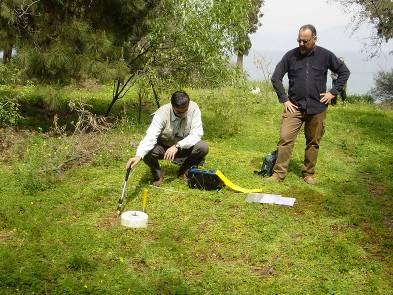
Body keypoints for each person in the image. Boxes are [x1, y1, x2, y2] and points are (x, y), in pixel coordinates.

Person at [269, 24, 350, 184]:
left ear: (314, 39)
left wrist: (333, 92)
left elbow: (344, 72)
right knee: (285, 139)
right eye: (299, 40)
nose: (301, 44)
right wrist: (284, 99)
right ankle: (278, 175)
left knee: (313, 142)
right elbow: (276, 77)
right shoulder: (290, 56)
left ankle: (308, 174)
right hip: (294, 106)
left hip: (317, 108)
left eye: (305, 41)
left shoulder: (325, 55)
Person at [126, 91, 208, 186]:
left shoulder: (194, 108)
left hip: (182, 147)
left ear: (188, 104)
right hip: (163, 148)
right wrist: (138, 155)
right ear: (172, 106)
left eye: (185, 111)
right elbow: (150, 136)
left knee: (203, 147)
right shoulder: (161, 114)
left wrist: (177, 146)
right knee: (146, 152)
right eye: (178, 112)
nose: (182, 114)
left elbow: (197, 134)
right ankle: (158, 174)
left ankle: (185, 170)